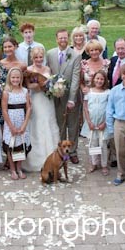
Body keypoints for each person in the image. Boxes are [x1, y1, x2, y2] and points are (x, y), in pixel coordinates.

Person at [22, 47, 60, 172]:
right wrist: (40, 85)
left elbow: (52, 82)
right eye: (36, 57)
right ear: (32, 58)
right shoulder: (29, 70)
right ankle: (37, 160)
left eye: (40, 57)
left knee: (49, 123)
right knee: (37, 125)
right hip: (36, 99)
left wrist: (53, 87)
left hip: (48, 101)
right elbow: (28, 85)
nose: (38, 59)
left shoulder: (47, 69)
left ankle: (53, 156)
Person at [46, 29, 82, 163]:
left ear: (68, 39)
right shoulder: (50, 54)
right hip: (56, 97)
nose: (63, 40)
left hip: (71, 96)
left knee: (72, 125)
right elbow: (48, 74)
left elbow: (76, 78)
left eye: (65, 38)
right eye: (60, 38)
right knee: (60, 124)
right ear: (56, 39)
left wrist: (72, 99)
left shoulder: (75, 55)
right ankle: (61, 150)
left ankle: (73, 151)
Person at [1, 67, 32, 180]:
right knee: (11, 145)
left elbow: (29, 108)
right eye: (13, 77)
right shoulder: (6, 92)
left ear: (21, 78)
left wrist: (24, 125)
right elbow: (4, 110)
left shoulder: (25, 91)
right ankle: (12, 169)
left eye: (17, 77)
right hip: (11, 122)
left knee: (21, 145)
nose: (15, 80)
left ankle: (19, 168)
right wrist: (11, 127)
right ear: (9, 78)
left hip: (22, 121)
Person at [80, 70, 111, 175]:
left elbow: (110, 109)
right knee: (93, 144)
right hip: (92, 123)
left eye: (102, 79)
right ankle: (94, 163)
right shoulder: (89, 92)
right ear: (93, 79)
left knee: (103, 144)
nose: (99, 81)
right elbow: (85, 107)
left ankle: (104, 164)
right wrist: (89, 122)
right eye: (97, 78)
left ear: (105, 81)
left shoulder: (107, 92)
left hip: (103, 124)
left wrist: (105, 123)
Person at [0, 37, 26, 129]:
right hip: (3, 100)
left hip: (18, 101)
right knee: (4, 128)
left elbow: (24, 84)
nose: (7, 49)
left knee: (18, 126)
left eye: (10, 46)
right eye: (5, 47)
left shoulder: (22, 65)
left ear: (15, 47)